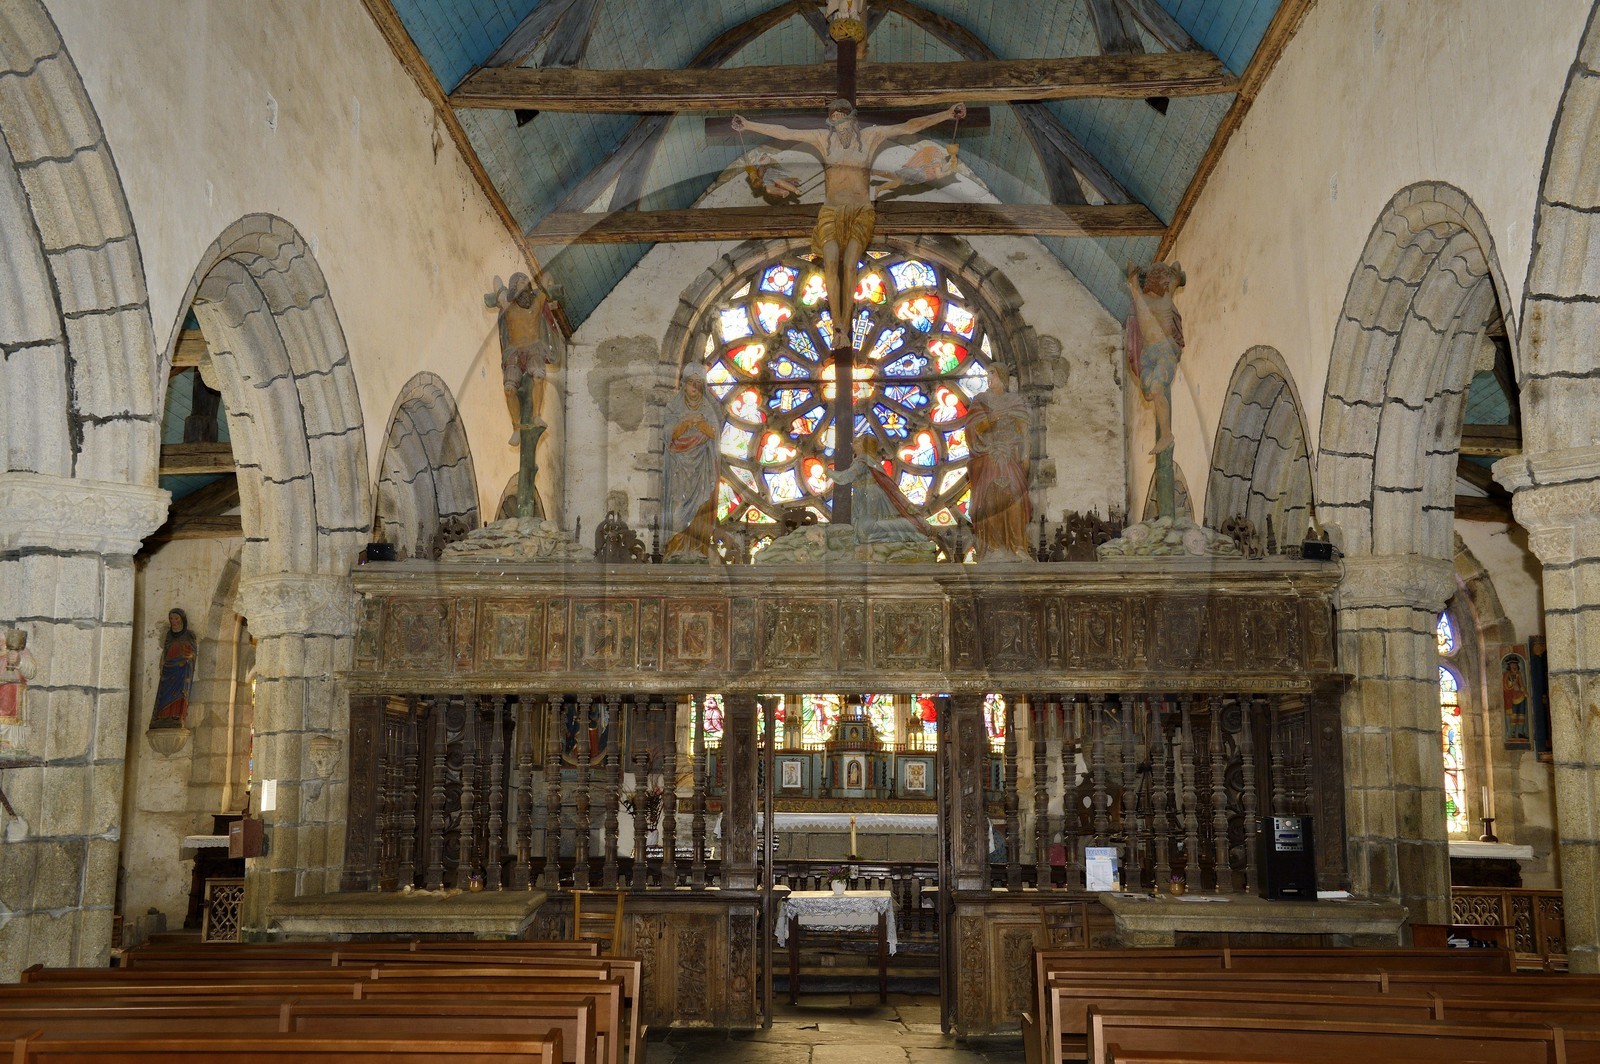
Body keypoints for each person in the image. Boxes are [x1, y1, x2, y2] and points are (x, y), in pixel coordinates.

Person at [731, 100, 966, 346]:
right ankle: (838, 328)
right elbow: (786, 133)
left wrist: (947, 114)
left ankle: (846, 327)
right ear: (830, 123)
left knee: (851, 262)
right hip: (831, 211)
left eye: (842, 118)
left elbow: (908, 127)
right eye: (834, 119)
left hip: (861, 210)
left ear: (853, 119)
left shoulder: (871, 136)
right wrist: (748, 124)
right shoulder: (824, 139)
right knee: (830, 262)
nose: (839, 126)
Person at [492, 273, 561, 519]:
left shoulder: (536, 303)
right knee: (510, 387)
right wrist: (499, 285)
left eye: (525, 285)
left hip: (533, 348)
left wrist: (548, 284)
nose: (523, 290)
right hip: (513, 351)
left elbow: (548, 284)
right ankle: (516, 427)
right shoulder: (507, 305)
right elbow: (496, 284)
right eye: (518, 286)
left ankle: (536, 415)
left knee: (538, 376)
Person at [967, 367, 1033, 561]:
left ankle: (1018, 547)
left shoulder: (1015, 401)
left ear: (1002, 376)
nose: (989, 377)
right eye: (988, 373)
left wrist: (1025, 454)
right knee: (990, 499)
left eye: (992, 373)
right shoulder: (980, 400)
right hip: (988, 457)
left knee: (1015, 498)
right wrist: (994, 418)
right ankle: (993, 548)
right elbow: (973, 429)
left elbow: (1024, 431)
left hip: (1010, 456)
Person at [662, 365, 725, 561]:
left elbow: (714, 434)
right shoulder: (674, 407)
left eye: (699, 384)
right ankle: (676, 547)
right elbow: (668, 435)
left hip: (703, 467)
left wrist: (700, 423)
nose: (695, 389)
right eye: (691, 383)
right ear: (684, 385)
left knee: (702, 505)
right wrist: (686, 423)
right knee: (678, 505)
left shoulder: (708, 408)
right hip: (679, 467)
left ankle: (698, 547)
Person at [1124, 261, 1187, 455]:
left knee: (1157, 388)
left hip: (1165, 350)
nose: (1166, 282)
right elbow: (1133, 279)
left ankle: (1166, 435)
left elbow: (1177, 278)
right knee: (1148, 391)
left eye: (1167, 279)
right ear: (1153, 280)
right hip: (1147, 353)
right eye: (1163, 278)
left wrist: (1176, 272)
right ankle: (1163, 420)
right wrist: (1132, 272)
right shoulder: (1140, 298)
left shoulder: (1166, 295)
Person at [150, 609, 197, 730]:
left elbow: (193, 653)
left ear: (182, 619)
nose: (174, 621)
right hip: (168, 668)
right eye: (171, 619)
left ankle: (177, 715)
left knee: (179, 693)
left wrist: (189, 656)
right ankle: (162, 716)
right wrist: (162, 664)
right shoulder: (169, 635)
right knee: (165, 692)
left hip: (181, 669)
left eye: (176, 618)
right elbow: (165, 651)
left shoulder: (189, 635)